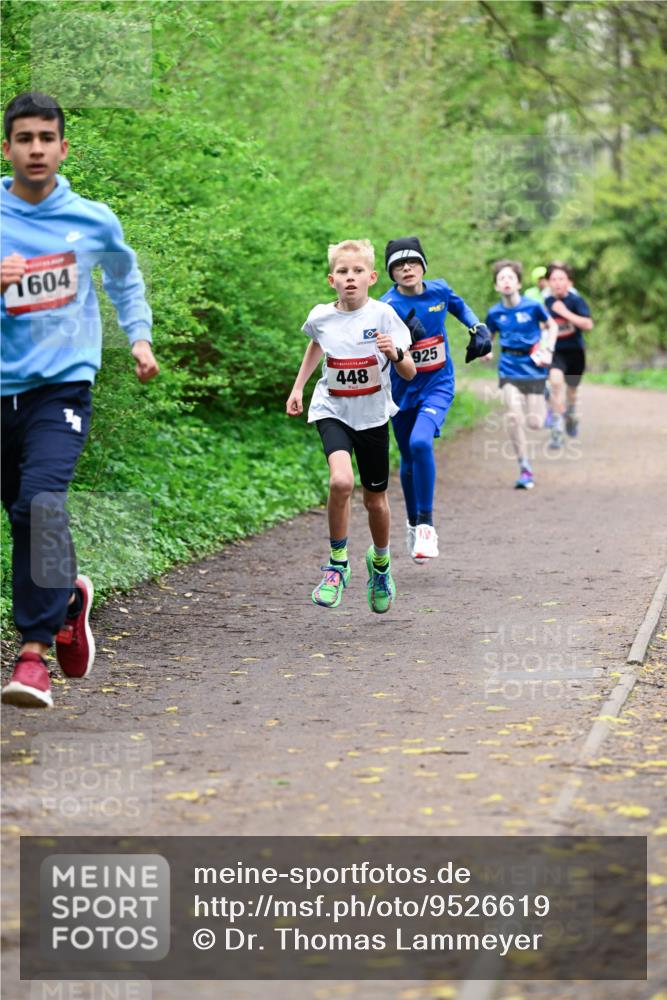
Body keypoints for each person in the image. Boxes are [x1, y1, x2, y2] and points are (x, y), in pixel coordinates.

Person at [1, 92, 158, 709]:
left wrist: (139, 338)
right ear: (7, 148)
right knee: (21, 512)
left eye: (47, 138)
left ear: (63, 148)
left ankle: (33, 655)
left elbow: (124, 278)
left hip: (61, 386)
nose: (36, 149)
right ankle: (66, 599)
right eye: (25, 138)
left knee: (39, 506)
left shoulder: (92, 220)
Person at [286, 239, 415, 613]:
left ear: (372, 277)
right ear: (332, 280)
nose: (350, 277)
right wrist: (299, 387)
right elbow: (316, 343)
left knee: (375, 500)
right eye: (342, 271)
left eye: (358, 271)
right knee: (341, 482)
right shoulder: (321, 316)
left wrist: (396, 353)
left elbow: (409, 371)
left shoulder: (384, 316)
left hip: (372, 416)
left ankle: (380, 564)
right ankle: (337, 565)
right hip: (332, 409)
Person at [380, 236, 491, 562]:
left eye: (412, 262)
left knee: (420, 443)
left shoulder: (439, 291)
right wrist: (403, 340)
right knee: (407, 457)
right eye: (399, 265)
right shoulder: (385, 307)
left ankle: (427, 526)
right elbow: (375, 348)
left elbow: (459, 306)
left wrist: (477, 326)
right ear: (391, 273)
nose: (407, 268)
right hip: (401, 390)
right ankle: (413, 523)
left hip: (438, 384)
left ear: (423, 266)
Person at [484, 260, 558, 489]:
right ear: (496, 286)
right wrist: (485, 350)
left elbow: (552, 326)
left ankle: (545, 395)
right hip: (508, 367)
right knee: (514, 417)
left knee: (535, 423)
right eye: (501, 278)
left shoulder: (533, 306)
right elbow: (488, 338)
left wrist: (549, 349)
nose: (506, 281)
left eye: (510, 278)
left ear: (518, 283)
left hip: (533, 366)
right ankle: (525, 468)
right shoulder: (494, 313)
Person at [544, 261, 593, 448]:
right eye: (553, 279)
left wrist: (565, 313)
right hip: (556, 352)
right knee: (556, 385)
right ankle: (557, 432)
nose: (557, 283)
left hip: (575, 353)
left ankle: (571, 414)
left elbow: (588, 324)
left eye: (561, 279)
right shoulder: (546, 303)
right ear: (548, 283)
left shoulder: (576, 301)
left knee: (571, 391)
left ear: (569, 282)